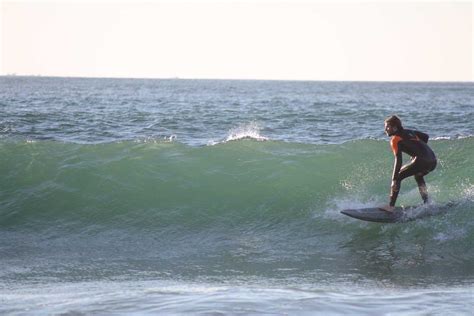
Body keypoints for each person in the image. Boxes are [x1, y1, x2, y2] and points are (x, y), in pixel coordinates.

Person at [381, 115, 437, 212]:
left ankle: (390, 206)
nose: (385, 129)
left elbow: (398, 160)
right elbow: (426, 137)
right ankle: (427, 202)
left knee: (398, 176)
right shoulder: (410, 132)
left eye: (387, 127)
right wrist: (419, 151)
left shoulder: (395, 139)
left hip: (421, 161)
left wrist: (394, 179)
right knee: (418, 176)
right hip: (433, 160)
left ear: (394, 128)